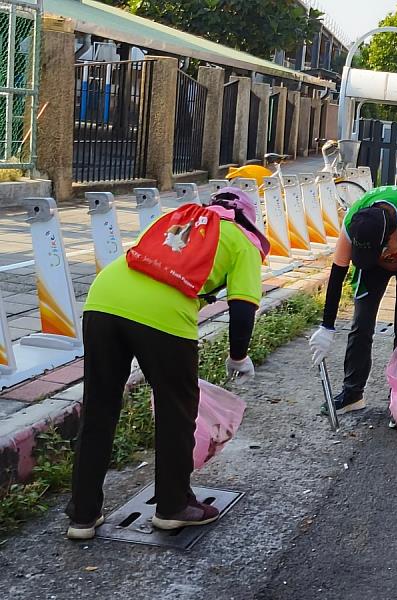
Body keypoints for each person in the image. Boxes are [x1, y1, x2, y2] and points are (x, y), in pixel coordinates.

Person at [66, 188, 269, 540]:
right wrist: (238, 356)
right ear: (250, 220)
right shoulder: (242, 242)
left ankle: (82, 515)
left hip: (102, 300)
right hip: (163, 316)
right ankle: (173, 506)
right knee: (177, 409)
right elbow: (242, 307)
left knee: (99, 407)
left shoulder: (175, 220)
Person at [308, 167, 397, 422]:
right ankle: (352, 393)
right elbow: (337, 274)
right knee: (361, 324)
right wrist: (327, 326)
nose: (384, 255)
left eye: (385, 249)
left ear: (393, 235)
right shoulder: (354, 223)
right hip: (372, 271)